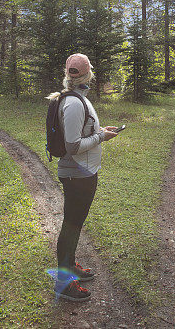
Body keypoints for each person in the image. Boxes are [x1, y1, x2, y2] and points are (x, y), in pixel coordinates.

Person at [46, 53, 119, 302]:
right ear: (88, 74)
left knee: (74, 223)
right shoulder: (75, 103)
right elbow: (73, 145)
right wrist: (101, 137)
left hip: (81, 172)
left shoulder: (76, 99)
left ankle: (70, 267)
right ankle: (64, 283)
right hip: (78, 173)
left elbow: (80, 132)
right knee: (71, 224)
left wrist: (99, 130)